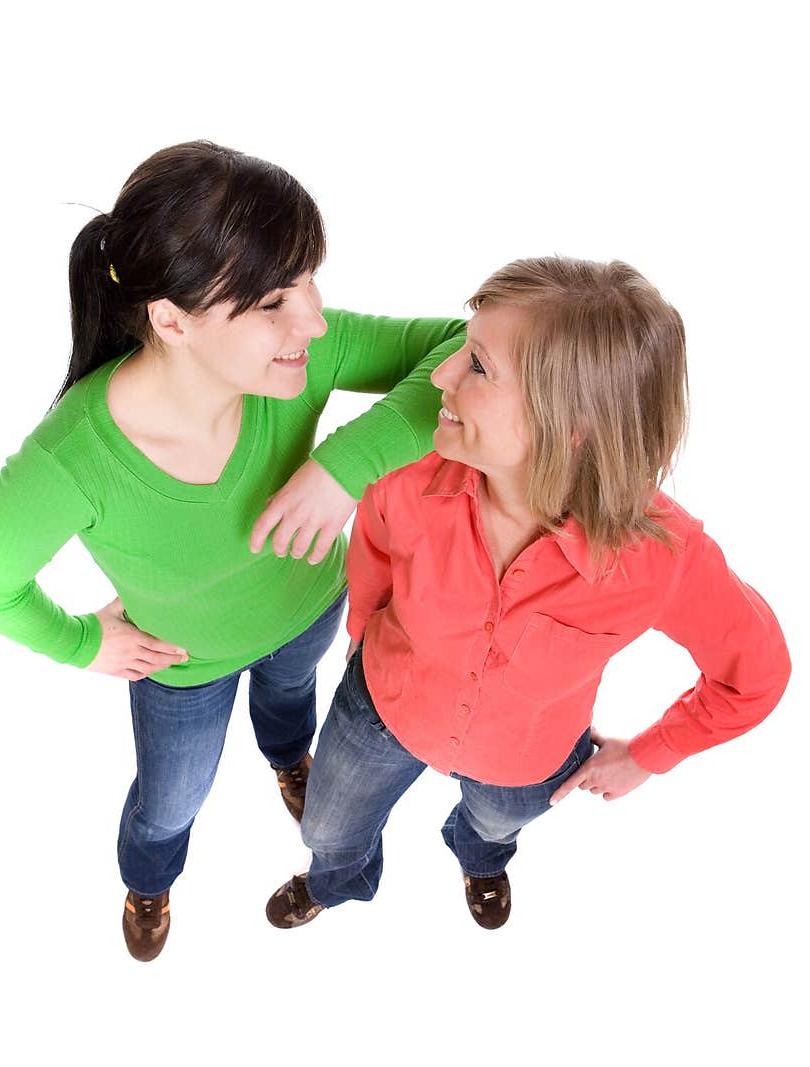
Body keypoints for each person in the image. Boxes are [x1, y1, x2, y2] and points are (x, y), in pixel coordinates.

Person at [0, 140, 465, 960]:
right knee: (170, 800)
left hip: (306, 611)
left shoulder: (306, 356)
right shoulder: (71, 461)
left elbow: (465, 346)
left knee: (291, 700)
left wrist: (346, 463)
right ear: (170, 320)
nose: (314, 320)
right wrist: (85, 641)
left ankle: (286, 759)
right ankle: (149, 880)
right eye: (271, 300)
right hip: (181, 666)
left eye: (306, 280)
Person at [265, 256, 791, 930]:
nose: (441, 376)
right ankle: (337, 881)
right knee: (329, 826)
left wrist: (654, 753)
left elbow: (757, 674)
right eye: (460, 349)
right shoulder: (406, 472)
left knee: (493, 825)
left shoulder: (665, 558)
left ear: (571, 428)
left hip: (524, 760)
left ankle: (479, 858)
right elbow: (372, 548)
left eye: (476, 365)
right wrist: (365, 630)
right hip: (381, 707)